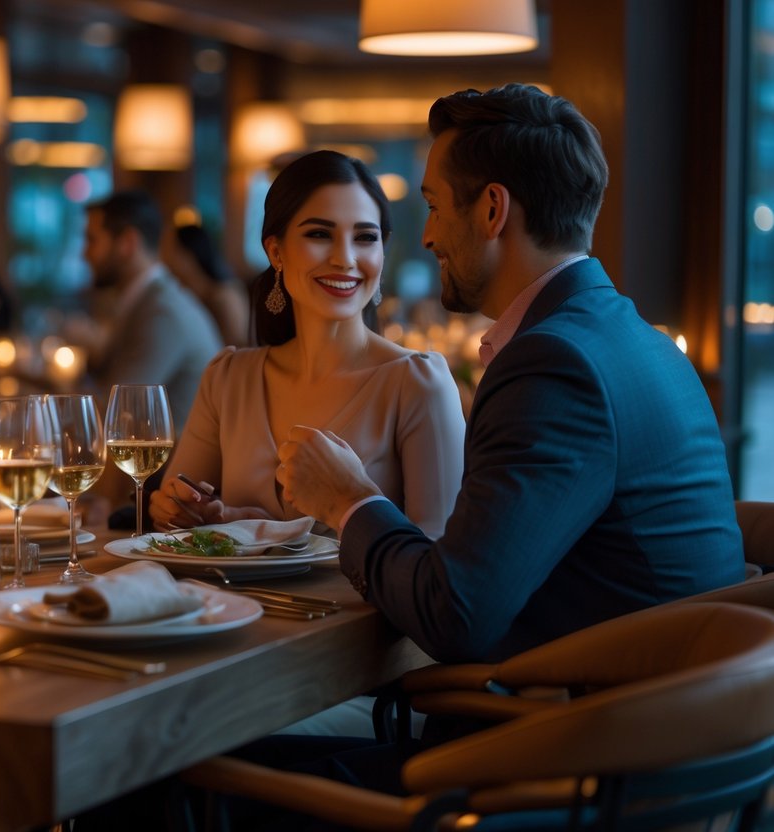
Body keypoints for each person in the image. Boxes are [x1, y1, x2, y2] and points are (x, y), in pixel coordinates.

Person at [279, 84, 744, 668]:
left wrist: (349, 500)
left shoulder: (554, 364)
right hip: (672, 726)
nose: (427, 236)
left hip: (574, 740)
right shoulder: (636, 340)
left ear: (493, 210)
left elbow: (454, 616)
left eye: (434, 206)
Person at [150, 151, 464, 545]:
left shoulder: (418, 382)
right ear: (276, 252)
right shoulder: (228, 378)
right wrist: (187, 512)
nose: (345, 258)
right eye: (320, 234)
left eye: (365, 238)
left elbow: (438, 555)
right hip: (237, 607)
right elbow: (175, 520)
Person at [77, 190, 223, 430]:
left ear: (128, 243)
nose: (84, 254)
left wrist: (45, 407)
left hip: (171, 464)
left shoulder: (163, 311)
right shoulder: (144, 299)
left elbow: (117, 412)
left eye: (92, 240)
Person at [162, 223, 249, 346]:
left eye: (171, 251)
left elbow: (238, 346)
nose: (164, 258)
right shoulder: (192, 292)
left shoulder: (224, 295)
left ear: (188, 255)